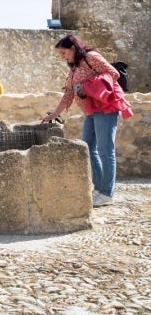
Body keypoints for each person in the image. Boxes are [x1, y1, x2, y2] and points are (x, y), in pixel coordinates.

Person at [42, 35, 132, 207]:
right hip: (91, 111)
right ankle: (99, 189)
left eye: (64, 52)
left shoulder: (91, 57)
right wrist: (54, 114)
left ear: (73, 48)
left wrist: (87, 86)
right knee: (88, 148)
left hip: (106, 108)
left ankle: (107, 193)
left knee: (106, 150)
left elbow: (113, 73)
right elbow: (69, 93)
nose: (62, 56)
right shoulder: (74, 68)